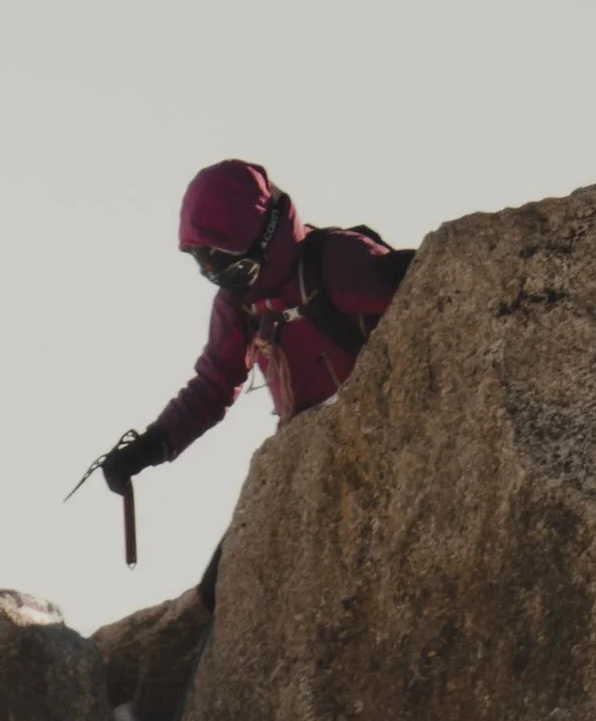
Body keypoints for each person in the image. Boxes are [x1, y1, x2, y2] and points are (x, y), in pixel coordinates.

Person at [100, 160, 409, 508]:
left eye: (235, 269)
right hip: (316, 458)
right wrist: (150, 446)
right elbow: (214, 385)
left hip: (385, 425)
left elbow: (419, 294)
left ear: (266, 240)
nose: (227, 283)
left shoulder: (334, 262)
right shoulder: (239, 304)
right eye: (207, 269)